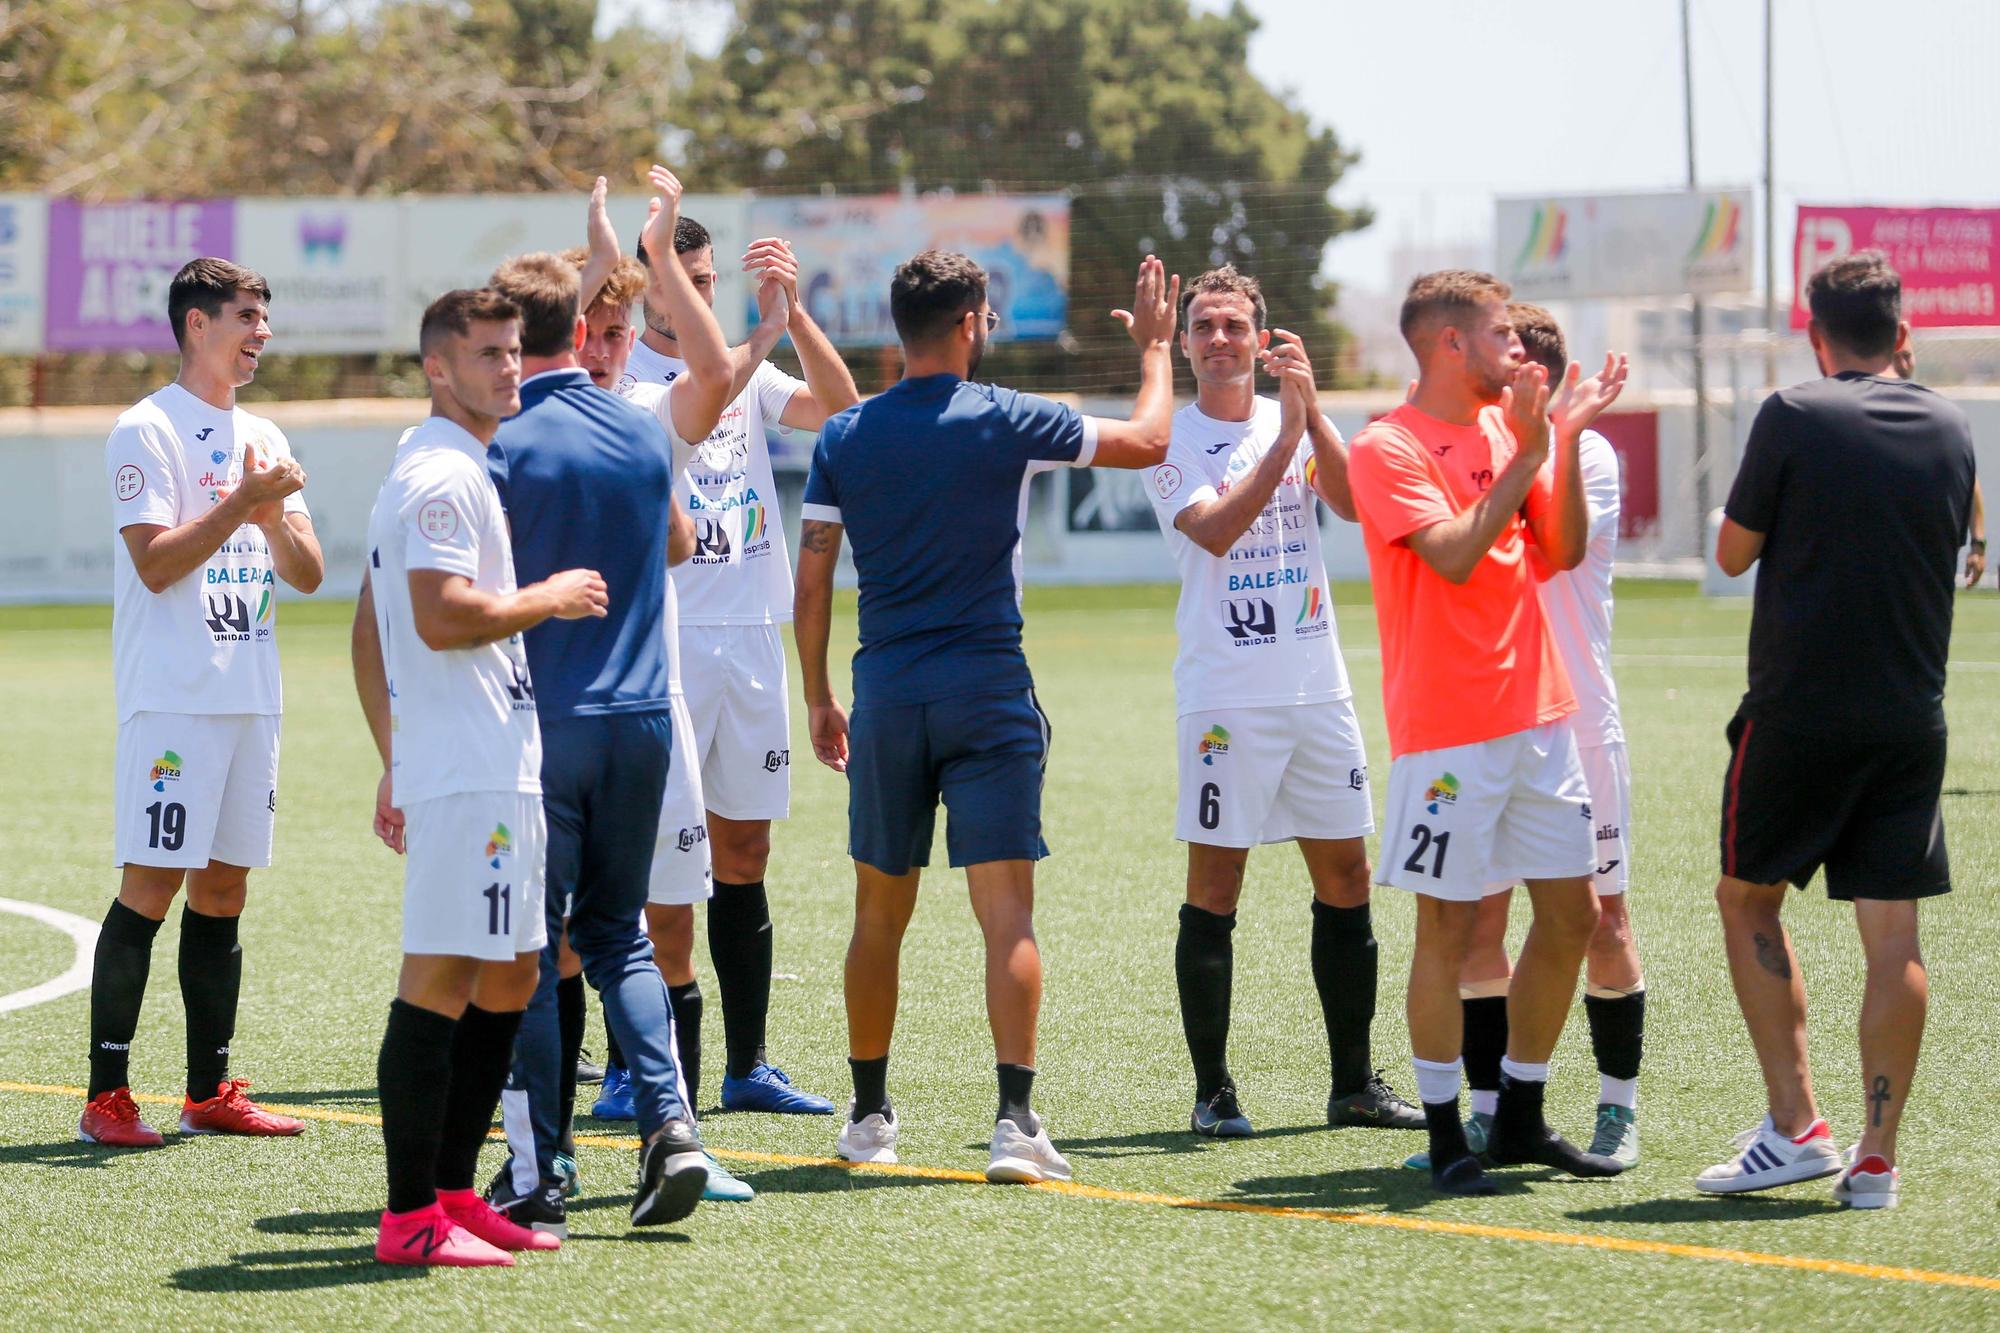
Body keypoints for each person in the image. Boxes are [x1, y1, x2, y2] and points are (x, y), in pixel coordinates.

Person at [795, 249, 1179, 1182]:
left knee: (877, 914)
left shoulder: (844, 434)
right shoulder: (1007, 418)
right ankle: (1014, 1125)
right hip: (988, 690)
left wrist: (817, 694)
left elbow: (809, 579)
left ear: (898, 326)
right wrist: (1159, 352)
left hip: (886, 695)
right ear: (970, 321)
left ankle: (869, 1117)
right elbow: (1150, 440)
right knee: (1006, 913)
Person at [480, 164, 732, 1236]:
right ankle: (671, 1129)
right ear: (584, 329)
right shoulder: (638, 430)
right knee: (623, 936)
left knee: (533, 952)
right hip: (642, 721)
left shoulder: (492, 443)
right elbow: (677, 539)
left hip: (543, 724)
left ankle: (540, 1169)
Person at [1701, 251, 1975, 1210]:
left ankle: (1795, 1125)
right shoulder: (1953, 424)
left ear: (1814, 335)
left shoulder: (1794, 412)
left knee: (1748, 901)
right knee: (1893, 934)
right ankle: (1875, 1158)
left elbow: (1732, 554)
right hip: (1910, 718)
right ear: (1902, 334)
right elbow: (1966, 538)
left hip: (1797, 716)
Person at [1346, 270, 1629, 1196]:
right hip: (1448, 733)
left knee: (1573, 915)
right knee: (1448, 926)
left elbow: (1563, 549)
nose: (1522, 351)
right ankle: (1442, 1134)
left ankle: (1519, 1111)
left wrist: (1564, 441)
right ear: (1449, 344)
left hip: (1541, 717)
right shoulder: (1386, 446)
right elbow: (1458, 556)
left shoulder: (1514, 427)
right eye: (1504, 335)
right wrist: (1527, 455)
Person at [352, 287, 610, 1266]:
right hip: (466, 771)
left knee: (507, 973)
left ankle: (456, 1191)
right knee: (440, 979)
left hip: (490, 760)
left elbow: (378, 629)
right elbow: (438, 614)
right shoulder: (440, 476)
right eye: (486, 354)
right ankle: (410, 1213)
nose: (507, 367)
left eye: (513, 352)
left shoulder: (453, 464)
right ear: (436, 366)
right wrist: (544, 596)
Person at [1142, 264, 1419, 1139]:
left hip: (1316, 690)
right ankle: (1214, 1090)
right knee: (1218, 884)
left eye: (1234, 325)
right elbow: (1217, 531)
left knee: (1344, 877)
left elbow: (1349, 502)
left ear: (1262, 340)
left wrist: (1312, 417)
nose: (1219, 339)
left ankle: (1352, 1086)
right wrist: (1284, 437)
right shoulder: (1168, 440)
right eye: (1204, 326)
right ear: (1185, 343)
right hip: (1225, 696)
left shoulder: (1294, 419)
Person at [614, 202, 860, 1117]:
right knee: (654, 864)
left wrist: (791, 320)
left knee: (744, 849)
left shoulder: (751, 374)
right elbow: (710, 385)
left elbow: (842, 410)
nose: (706, 293)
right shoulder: (623, 381)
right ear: (651, 289)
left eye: (713, 279)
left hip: (751, 642)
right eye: (694, 280)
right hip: (664, 648)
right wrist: (754, 336)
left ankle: (746, 1063)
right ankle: (629, 1060)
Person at [85, 257, 324, 1148]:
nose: (262, 332)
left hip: (251, 699)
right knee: (151, 887)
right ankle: (107, 1094)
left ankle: (208, 1090)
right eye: (247, 316)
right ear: (198, 324)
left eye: (265, 316)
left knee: (223, 891)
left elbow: (308, 574)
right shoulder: (144, 429)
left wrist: (271, 513)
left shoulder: (264, 431)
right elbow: (155, 562)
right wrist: (244, 503)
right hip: (173, 700)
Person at [1891, 343, 1986, 589]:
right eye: (1896, 357)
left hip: (1929, 556)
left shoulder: (1935, 416)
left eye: (1907, 356)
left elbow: (1969, 479)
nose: (1903, 365)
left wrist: (1978, 544)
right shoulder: (1858, 414)